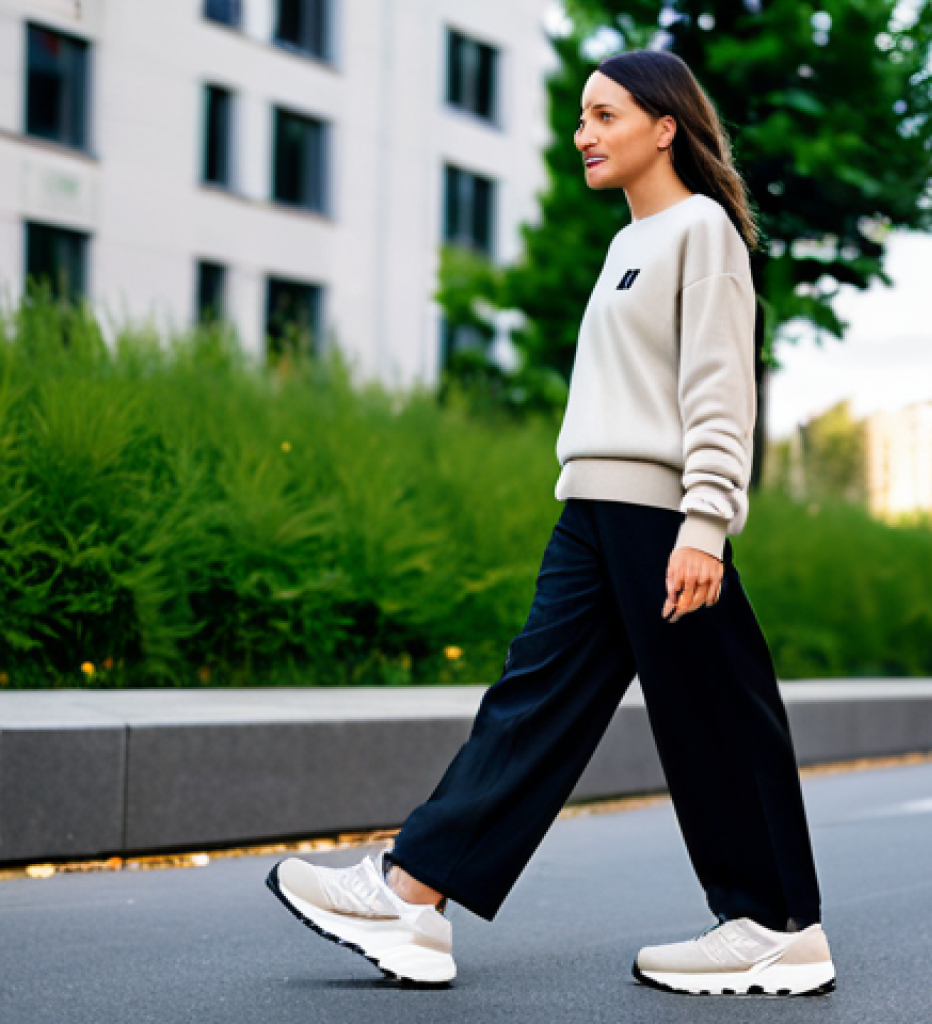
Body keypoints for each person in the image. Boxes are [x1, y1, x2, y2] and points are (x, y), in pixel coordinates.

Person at [266, 48, 836, 997]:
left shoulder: (702, 232)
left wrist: (705, 521)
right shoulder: (625, 246)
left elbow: (719, 388)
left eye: (606, 116)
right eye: (581, 117)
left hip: (658, 512)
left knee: (715, 714)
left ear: (665, 127)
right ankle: (415, 894)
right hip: (594, 508)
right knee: (534, 704)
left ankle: (775, 925)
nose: (584, 135)